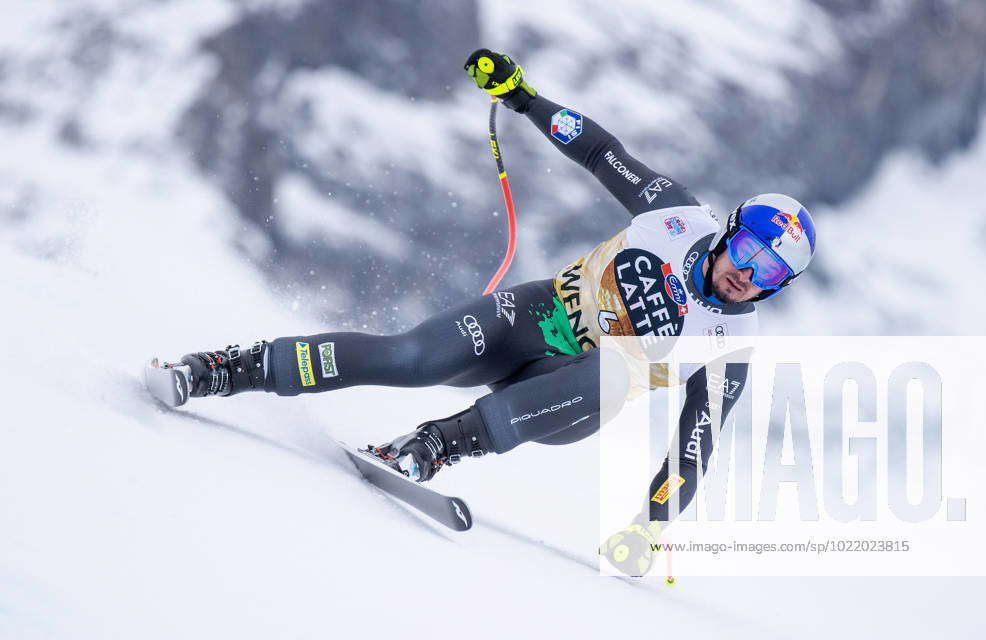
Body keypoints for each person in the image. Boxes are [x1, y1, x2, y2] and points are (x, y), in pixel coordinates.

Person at [172, 49, 817, 575]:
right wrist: (522, 96)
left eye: (770, 274)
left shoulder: (729, 344)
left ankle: (433, 447)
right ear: (729, 230)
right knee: (408, 357)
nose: (747, 277)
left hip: (568, 396)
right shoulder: (673, 214)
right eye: (750, 252)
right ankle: (231, 368)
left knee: (618, 372)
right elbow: (601, 151)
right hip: (531, 318)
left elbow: (694, 444)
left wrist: (650, 529)